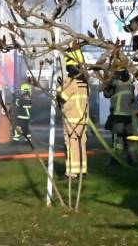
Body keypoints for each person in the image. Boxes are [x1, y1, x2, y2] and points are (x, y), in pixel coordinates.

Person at [58, 48, 89, 178]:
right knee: (81, 145)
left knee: (71, 146)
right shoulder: (85, 83)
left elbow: (62, 97)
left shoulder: (72, 82)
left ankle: (71, 172)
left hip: (71, 120)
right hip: (83, 120)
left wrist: (60, 87)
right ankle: (82, 170)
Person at [104, 70, 138, 165]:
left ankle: (115, 161)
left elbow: (107, 95)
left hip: (118, 116)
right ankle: (132, 160)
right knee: (130, 141)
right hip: (128, 117)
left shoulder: (115, 85)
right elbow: (132, 100)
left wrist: (107, 83)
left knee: (117, 141)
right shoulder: (131, 86)